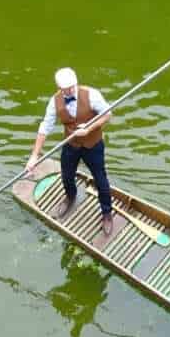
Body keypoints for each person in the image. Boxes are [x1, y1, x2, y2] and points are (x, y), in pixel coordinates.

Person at [26, 67, 114, 234]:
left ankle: (107, 213)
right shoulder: (55, 101)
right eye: (67, 89)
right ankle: (70, 196)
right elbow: (45, 126)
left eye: (73, 86)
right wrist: (34, 156)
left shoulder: (92, 95)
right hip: (71, 144)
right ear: (60, 89)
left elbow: (108, 114)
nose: (71, 90)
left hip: (93, 144)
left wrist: (89, 129)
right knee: (66, 175)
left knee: (101, 179)